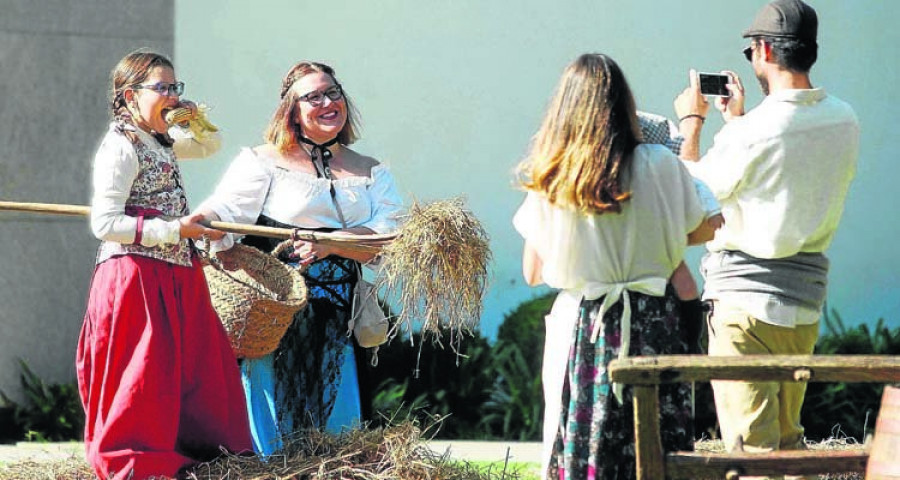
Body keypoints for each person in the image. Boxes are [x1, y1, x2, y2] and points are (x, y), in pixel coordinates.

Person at [673, 0, 860, 465]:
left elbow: (690, 201)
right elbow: (781, 171)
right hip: (803, 304)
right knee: (789, 446)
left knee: (752, 453)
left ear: (763, 50)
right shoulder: (845, 120)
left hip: (744, 304)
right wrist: (736, 122)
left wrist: (692, 124)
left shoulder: (753, 133)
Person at [514, 53, 710, 480]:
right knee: (659, 449)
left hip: (588, 323)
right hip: (655, 319)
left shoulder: (554, 175)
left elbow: (532, 271)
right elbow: (703, 226)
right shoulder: (660, 162)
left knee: (590, 445)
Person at [197, 61, 403, 456]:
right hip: (275, 313)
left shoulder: (372, 171)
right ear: (292, 111)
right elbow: (227, 209)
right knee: (272, 417)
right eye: (313, 97)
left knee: (337, 425)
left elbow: (389, 233)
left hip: (340, 314)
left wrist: (332, 243)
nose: (328, 102)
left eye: (334, 92)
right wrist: (202, 222)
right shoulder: (263, 161)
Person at [77, 50, 252, 480]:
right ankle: (137, 461)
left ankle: (203, 453)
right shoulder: (120, 145)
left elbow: (211, 145)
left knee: (198, 367)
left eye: (175, 87)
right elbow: (105, 223)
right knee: (143, 374)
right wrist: (175, 230)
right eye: (162, 87)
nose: (172, 95)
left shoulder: (161, 139)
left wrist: (190, 119)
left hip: (176, 273)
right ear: (129, 96)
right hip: (135, 275)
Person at [638, 110, 724, 354]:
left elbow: (696, 184)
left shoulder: (662, 170)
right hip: (653, 240)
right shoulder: (646, 170)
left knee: (686, 285)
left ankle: (693, 342)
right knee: (684, 284)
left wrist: (712, 211)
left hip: (660, 241)